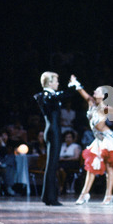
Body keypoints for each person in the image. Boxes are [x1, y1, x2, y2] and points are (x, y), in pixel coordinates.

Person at [74, 78, 113, 205]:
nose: (94, 92)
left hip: (106, 139)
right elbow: (85, 95)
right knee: (91, 167)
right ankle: (84, 194)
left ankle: (109, 195)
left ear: (103, 96)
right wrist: (76, 83)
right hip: (98, 139)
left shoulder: (104, 108)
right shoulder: (92, 104)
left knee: (109, 167)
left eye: (97, 91)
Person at [34, 72, 79, 206]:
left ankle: (47, 196)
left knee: (51, 165)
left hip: (52, 130)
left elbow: (62, 95)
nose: (58, 83)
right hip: (53, 131)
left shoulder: (50, 95)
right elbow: (65, 94)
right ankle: (51, 198)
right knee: (52, 165)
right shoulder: (47, 95)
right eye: (56, 81)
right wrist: (74, 85)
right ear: (49, 83)